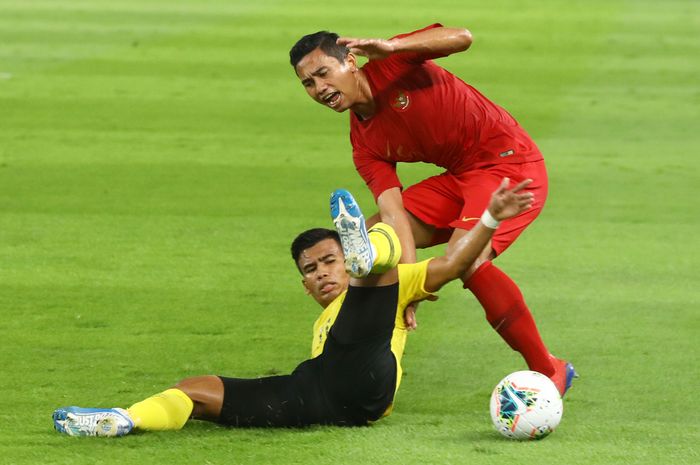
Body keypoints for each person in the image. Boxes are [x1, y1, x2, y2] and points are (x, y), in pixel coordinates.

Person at [52, 180, 533, 437]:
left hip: (368, 380)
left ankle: (372, 250)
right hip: (314, 392)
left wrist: (490, 217)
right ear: (303, 283)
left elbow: (454, 263)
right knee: (193, 390)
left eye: (331, 261)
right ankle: (123, 419)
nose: (322, 272)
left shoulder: (395, 285)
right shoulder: (327, 317)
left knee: (378, 277)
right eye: (311, 269)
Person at [289, 24, 576, 396]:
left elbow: (463, 38)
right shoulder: (364, 145)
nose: (320, 88)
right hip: (460, 178)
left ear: (350, 60)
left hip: (508, 167)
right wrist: (406, 290)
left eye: (323, 73)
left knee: (466, 260)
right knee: (373, 237)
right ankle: (354, 350)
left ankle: (548, 368)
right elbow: (395, 218)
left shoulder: (392, 61)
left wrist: (393, 47)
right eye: (308, 83)